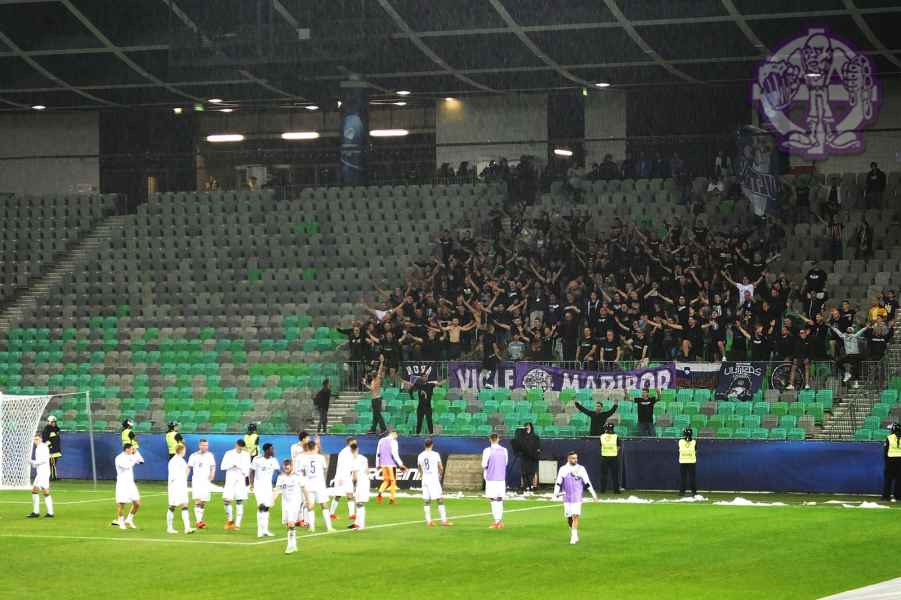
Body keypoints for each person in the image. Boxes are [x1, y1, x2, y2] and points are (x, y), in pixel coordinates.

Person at [553, 451, 597, 545]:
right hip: (567, 497)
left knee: (575, 516)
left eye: (576, 458)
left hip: (577, 496)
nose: (575, 460)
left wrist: (593, 494)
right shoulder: (563, 469)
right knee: (569, 517)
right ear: (568, 459)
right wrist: (555, 492)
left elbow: (587, 482)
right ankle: (574, 532)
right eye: (573, 458)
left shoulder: (581, 469)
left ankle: (573, 536)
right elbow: (558, 482)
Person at [298, 440, 334, 532]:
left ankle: (312, 527)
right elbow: (325, 469)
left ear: (308, 447)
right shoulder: (321, 457)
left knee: (310, 506)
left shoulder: (304, 458)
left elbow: (302, 472)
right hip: (319, 484)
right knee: (324, 505)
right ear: (315, 447)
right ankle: (329, 527)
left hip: (309, 484)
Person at [417, 438, 452, 527]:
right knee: (440, 499)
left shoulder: (420, 455)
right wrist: (440, 475)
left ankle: (429, 521)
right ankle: (444, 520)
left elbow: (419, 468)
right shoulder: (435, 454)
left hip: (425, 478)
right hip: (433, 478)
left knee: (426, 500)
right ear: (432, 445)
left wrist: (422, 476)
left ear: (424, 445)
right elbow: (440, 467)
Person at [274, 459, 304, 554]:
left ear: (291, 466)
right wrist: (272, 500)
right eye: (285, 465)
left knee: (291, 523)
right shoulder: (280, 478)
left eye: (288, 465)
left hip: (295, 502)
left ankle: (289, 546)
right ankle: (294, 545)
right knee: (288, 524)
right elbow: (277, 490)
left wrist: (308, 500)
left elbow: (304, 488)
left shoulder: (298, 476)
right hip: (285, 503)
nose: (286, 467)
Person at [250, 443, 279, 538]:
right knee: (261, 506)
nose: (273, 451)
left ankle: (265, 530)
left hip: (268, 486)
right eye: (271, 449)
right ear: (266, 450)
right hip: (259, 486)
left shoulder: (273, 460)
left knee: (266, 507)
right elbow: (252, 471)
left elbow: (278, 472)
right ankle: (259, 531)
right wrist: (251, 483)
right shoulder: (257, 459)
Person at [221, 439, 251, 531]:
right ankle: (230, 521)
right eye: (239, 447)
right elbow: (222, 466)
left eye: (242, 447)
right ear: (236, 445)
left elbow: (247, 468)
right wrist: (232, 465)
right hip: (230, 479)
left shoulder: (246, 455)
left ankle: (237, 524)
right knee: (226, 500)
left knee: (239, 501)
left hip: (241, 480)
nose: (240, 449)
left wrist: (246, 478)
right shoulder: (228, 453)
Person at [187, 439, 216, 529]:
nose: (205, 447)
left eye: (206, 445)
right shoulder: (193, 455)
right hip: (196, 480)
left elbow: (213, 466)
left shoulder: (210, 455)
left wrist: (212, 473)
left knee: (203, 501)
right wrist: (185, 478)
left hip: (206, 481)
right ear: (199, 446)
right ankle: (198, 521)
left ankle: (200, 520)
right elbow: (189, 467)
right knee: (198, 500)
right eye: (203, 445)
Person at [166, 443, 194, 534]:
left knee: (185, 505)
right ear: (181, 450)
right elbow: (174, 476)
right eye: (184, 450)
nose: (185, 451)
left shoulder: (181, 461)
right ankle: (169, 528)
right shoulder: (174, 461)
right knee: (172, 506)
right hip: (175, 487)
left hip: (181, 486)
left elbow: (184, 474)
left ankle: (187, 528)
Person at [482, 433, 508, 529]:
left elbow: (484, 464)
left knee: (493, 499)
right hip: (501, 478)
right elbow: (506, 463)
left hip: (491, 478)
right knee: (499, 499)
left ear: (490, 439)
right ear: (498, 439)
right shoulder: (504, 450)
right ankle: (499, 521)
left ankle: (497, 521)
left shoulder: (487, 450)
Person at [114, 443, 143, 530]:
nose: (132, 450)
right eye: (131, 449)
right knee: (121, 504)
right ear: (127, 449)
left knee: (137, 503)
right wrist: (134, 458)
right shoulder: (119, 458)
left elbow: (141, 461)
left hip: (131, 483)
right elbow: (126, 466)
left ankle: (129, 520)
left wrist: (136, 452)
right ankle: (121, 522)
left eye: (133, 449)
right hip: (122, 483)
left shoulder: (131, 456)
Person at [831, 324, 869, 388]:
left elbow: (861, 331)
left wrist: (866, 327)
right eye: (848, 329)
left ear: (852, 331)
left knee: (856, 368)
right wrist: (833, 328)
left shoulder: (855, 336)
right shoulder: (844, 336)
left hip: (855, 355)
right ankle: (847, 373)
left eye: (850, 329)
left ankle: (856, 383)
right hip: (849, 355)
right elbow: (838, 332)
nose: (849, 329)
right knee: (838, 362)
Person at [330, 437, 357, 524]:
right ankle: (331, 514)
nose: (356, 443)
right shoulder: (344, 452)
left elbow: (351, 465)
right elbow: (341, 465)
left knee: (350, 495)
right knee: (338, 495)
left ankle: (352, 514)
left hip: (347, 476)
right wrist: (340, 478)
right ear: (350, 442)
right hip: (341, 477)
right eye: (354, 442)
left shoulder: (351, 451)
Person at [27, 434, 54, 518]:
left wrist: (32, 462)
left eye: (37, 439)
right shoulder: (38, 448)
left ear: (41, 439)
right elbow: (38, 463)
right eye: (35, 439)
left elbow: (44, 460)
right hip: (40, 473)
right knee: (36, 491)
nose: (36, 441)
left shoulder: (43, 447)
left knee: (43, 491)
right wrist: (33, 463)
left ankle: (47, 513)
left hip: (44, 473)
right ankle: (38, 512)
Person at [376, 430, 406, 504]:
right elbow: (395, 454)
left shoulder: (381, 440)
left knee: (386, 480)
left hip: (383, 464)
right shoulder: (394, 442)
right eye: (396, 434)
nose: (397, 436)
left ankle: (380, 492)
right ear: (393, 434)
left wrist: (377, 464)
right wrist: (401, 464)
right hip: (391, 465)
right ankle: (392, 499)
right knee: (393, 481)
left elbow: (378, 453)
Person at [511, 423, 541, 492]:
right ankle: (523, 485)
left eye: (528, 426)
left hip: (533, 457)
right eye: (526, 426)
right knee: (523, 472)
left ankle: (534, 486)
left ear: (531, 427)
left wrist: (536, 454)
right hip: (524, 457)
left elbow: (538, 448)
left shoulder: (535, 437)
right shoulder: (521, 437)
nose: (527, 427)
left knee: (534, 471)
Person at [349, 439, 370, 530]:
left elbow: (354, 476)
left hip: (360, 483)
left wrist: (354, 486)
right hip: (366, 481)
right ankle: (357, 523)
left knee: (359, 503)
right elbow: (367, 471)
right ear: (358, 449)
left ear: (351, 450)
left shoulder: (353, 461)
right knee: (359, 503)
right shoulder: (364, 458)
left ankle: (361, 525)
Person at [599, 422, 622, 494]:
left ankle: (602, 490)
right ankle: (616, 490)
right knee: (615, 474)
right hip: (614, 457)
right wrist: (614, 451)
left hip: (604, 457)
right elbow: (619, 446)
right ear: (613, 428)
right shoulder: (616, 436)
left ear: (606, 428)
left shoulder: (602, 436)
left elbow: (600, 446)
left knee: (604, 474)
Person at [367, 355, 388, 433]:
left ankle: (383, 428)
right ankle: (373, 428)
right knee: (375, 414)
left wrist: (365, 384)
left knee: (377, 414)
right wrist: (381, 362)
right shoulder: (378, 378)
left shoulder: (373, 381)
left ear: (372, 376)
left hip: (375, 399)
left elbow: (372, 389)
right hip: (378, 398)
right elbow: (380, 369)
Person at [883, 423, 901, 502]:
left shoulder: (889, 437)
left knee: (888, 479)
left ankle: (886, 496)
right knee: (899, 480)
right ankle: (898, 496)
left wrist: (886, 460)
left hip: (890, 460)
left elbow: (885, 450)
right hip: (900, 461)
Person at [41, 415, 62, 481]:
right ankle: (50, 477)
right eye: (52, 422)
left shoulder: (56, 429)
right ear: (49, 422)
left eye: (55, 422)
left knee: (53, 463)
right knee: (51, 463)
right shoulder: (47, 429)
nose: (54, 423)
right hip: (51, 450)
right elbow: (45, 439)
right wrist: (50, 446)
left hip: (56, 449)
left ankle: (53, 476)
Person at [678, 427, 698, 497]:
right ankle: (694, 492)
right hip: (691, 462)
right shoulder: (694, 442)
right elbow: (696, 451)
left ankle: (682, 492)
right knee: (692, 477)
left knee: (683, 477)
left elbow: (679, 449)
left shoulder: (680, 441)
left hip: (683, 461)